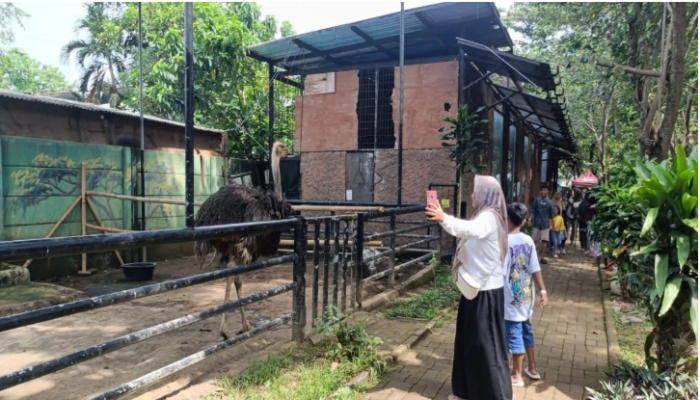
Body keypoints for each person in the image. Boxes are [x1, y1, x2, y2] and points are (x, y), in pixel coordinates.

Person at [426, 175, 512, 400]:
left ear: (485, 194)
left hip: (486, 294)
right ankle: (465, 391)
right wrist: (443, 218)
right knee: (468, 343)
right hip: (474, 291)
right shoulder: (485, 216)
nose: (472, 195)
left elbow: (467, 229)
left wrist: (443, 217)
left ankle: (498, 395)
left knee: (487, 347)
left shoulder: (489, 218)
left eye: (476, 191)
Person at [503, 203, 548, 387]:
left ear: (506, 218)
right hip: (526, 297)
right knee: (526, 332)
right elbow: (535, 268)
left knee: (514, 335)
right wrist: (543, 290)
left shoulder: (503, 241)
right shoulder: (528, 240)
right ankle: (533, 368)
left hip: (510, 297)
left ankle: (517, 375)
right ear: (523, 220)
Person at [529, 185, 554, 265]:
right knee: (534, 240)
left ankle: (542, 257)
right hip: (536, 223)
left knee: (544, 241)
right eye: (542, 190)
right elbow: (532, 210)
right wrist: (531, 217)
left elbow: (552, 215)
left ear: (547, 192)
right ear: (540, 191)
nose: (543, 192)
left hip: (546, 224)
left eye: (545, 190)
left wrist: (553, 225)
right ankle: (533, 257)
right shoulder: (537, 200)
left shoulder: (550, 202)